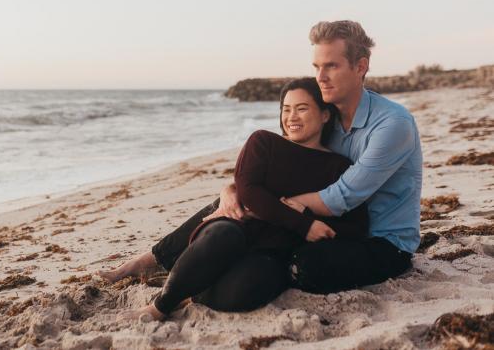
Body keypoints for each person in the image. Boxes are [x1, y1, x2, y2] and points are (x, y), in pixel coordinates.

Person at [100, 78, 369, 321]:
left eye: (301, 108)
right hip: (236, 226)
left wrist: (306, 212)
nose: (291, 116)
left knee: (245, 291)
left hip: (272, 251)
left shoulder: (338, 167)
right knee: (223, 237)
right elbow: (249, 191)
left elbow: (357, 225)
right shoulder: (264, 142)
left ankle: (188, 288)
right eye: (286, 109)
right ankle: (160, 306)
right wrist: (303, 225)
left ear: (324, 114)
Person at [223, 20, 423, 295]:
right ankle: (158, 258)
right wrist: (235, 189)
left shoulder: (393, 123)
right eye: (317, 67)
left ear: (360, 67)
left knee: (307, 266)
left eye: (331, 66)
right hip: (333, 228)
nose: (320, 77)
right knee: (235, 204)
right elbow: (278, 166)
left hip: (383, 242)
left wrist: (278, 205)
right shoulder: (327, 120)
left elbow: (341, 197)